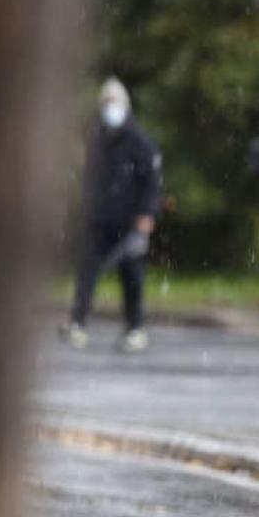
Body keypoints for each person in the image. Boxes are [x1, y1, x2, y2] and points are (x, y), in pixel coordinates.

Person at [62, 77, 162, 352]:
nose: (110, 108)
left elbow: (151, 180)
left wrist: (146, 215)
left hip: (129, 221)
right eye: (106, 103)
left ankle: (135, 328)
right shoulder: (98, 138)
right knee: (87, 273)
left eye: (114, 103)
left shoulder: (139, 141)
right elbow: (89, 178)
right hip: (98, 219)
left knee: (131, 276)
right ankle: (78, 323)